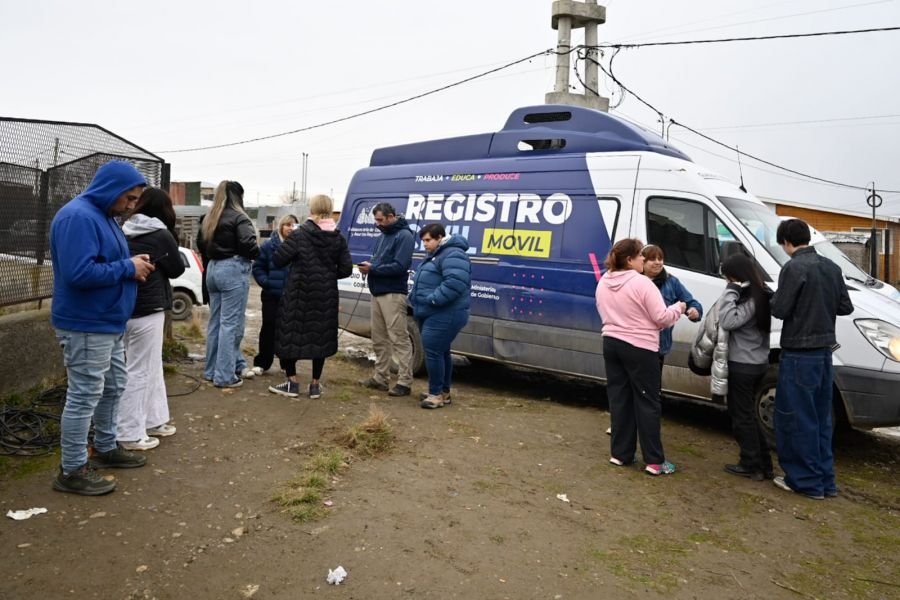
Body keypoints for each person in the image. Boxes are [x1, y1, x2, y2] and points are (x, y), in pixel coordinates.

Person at [49, 160, 153, 495]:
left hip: (106, 322)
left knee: (112, 386)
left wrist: (132, 266)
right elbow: (78, 274)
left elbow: (105, 264)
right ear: (112, 190)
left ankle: (106, 448)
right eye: (129, 198)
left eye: (136, 200)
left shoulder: (104, 217)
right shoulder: (77, 217)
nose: (131, 206)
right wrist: (128, 267)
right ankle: (72, 469)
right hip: (85, 323)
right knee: (84, 395)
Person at [771, 218, 852, 500]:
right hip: (825, 353)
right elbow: (845, 305)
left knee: (796, 418)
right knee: (820, 419)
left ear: (786, 242)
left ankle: (804, 481)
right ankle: (825, 481)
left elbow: (780, 309)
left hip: (798, 354)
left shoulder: (793, 267)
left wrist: (771, 297)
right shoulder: (832, 266)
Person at [595, 238, 685, 476]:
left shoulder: (604, 280)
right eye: (640, 256)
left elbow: (602, 309)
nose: (644, 260)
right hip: (640, 347)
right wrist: (679, 307)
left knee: (620, 398)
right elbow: (661, 318)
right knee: (647, 401)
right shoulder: (642, 283)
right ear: (630, 260)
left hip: (611, 342)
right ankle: (655, 461)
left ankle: (620, 453)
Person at [117, 187, 185, 451]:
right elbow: (177, 269)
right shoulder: (160, 233)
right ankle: (129, 433)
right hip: (150, 308)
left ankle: (154, 420)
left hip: (125, 306)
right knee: (140, 370)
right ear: (165, 209)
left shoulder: (123, 228)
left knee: (148, 366)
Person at [268, 195, 352, 398]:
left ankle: (292, 382)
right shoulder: (337, 237)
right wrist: (328, 275)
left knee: (289, 335)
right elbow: (346, 269)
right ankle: (315, 385)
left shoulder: (300, 235)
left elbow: (278, 260)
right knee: (320, 338)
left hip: (298, 293)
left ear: (311, 209)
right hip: (326, 295)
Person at [716, 254, 774, 481]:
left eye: (728, 277)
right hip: (757, 362)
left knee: (743, 417)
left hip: (744, 364)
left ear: (735, 276)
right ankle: (764, 465)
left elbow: (729, 321)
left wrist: (731, 290)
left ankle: (751, 463)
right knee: (748, 415)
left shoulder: (752, 297)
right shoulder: (762, 293)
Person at [197, 181, 259, 388]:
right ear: (239, 196)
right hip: (232, 269)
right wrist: (260, 253)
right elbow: (249, 245)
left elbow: (200, 244)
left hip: (212, 270)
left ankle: (211, 371)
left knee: (216, 323)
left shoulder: (209, 218)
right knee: (231, 325)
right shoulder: (240, 217)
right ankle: (224, 376)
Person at [408, 224, 471, 409]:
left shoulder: (453, 254)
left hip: (446, 312)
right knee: (441, 351)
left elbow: (455, 283)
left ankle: (435, 394)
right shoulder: (437, 254)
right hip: (433, 311)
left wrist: (433, 300)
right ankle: (443, 392)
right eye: (423, 241)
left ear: (440, 237)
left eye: (428, 240)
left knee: (433, 351)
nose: (425, 244)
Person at [357, 202, 415, 397]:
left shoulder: (404, 236)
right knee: (379, 338)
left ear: (391, 217)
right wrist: (370, 265)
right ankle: (380, 377)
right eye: (376, 220)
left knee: (399, 338)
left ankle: (405, 381)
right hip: (378, 291)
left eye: (380, 219)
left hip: (393, 294)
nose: (377, 223)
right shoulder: (384, 235)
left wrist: (373, 269)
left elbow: (400, 266)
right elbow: (381, 261)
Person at [250, 214, 299, 376]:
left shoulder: (299, 247)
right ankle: (262, 362)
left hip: (291, 296)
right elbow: (257, 267)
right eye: (288, 225)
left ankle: (287, 364)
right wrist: (267, 282)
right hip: (271, 295)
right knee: (268, 328)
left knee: (288, 330)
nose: (290, 228)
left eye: (293, 225)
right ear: (281, 226)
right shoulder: (268, 245)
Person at [641, 244, 702, 368]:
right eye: (653, 259)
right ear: (643, 261)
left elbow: (690, 302)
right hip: (637, 344)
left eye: (660, 259)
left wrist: (694, 311)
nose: (658, 262)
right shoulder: (635, 280)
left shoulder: (671, 282)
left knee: (653, 385)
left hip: (659, 346)